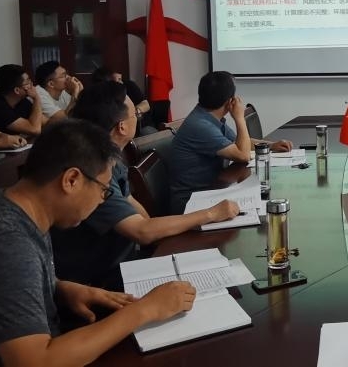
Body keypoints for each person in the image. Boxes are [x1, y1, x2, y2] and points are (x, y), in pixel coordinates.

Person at [0, 119, 196, 367]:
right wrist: (145, 310)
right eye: (103, 191)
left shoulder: (8, 204)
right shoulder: (5, 242)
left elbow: (5, 284)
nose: (102, 200)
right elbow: (35, 362)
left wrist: (59, 288)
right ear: (71, 180)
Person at [51, 81, 239, 288]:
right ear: (122, 126)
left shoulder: (112, 158)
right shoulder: (94, 169)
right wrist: (211, 214)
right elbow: (141, 231)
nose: (138, 117)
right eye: (135, 114)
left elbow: (137, 212)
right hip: (100, 281)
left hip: (128, 263)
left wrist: (152, 233)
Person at [167, 71, 293, 214]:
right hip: (191, 204)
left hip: (210, 192)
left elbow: (239, 143)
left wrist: (271, 145)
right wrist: (239, 118)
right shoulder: (201, 126)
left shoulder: (206, 117)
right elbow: (243, 155)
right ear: (229, 102)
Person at [0, 64, 44, 136]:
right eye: (28, 82)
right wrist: (36, 98)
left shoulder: (22, 101)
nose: (32, 85)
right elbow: (35, 129)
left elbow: (45, 123)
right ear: (17, 90)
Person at [91, 66, 155, 134]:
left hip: (142, 126)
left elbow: (146, 104)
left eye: (121, 79)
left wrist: (136, 111)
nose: (121, 82)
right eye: (118, 79)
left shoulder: (129, 85)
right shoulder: (98, 97)